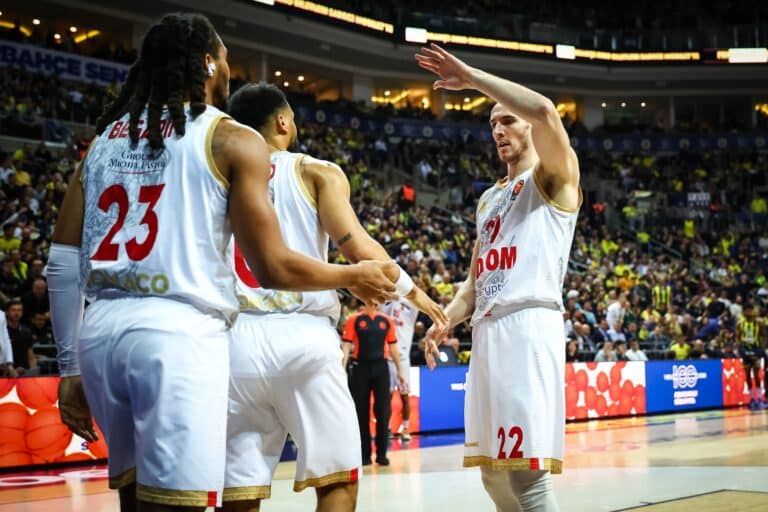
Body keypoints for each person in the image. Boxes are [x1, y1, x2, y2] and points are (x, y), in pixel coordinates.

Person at [47, 13, 396, 512]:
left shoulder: (103, 141)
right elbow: (272, 266)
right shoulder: (231, 138)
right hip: (175, 334)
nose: (231, 68)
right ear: (209, 63)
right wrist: (351, 275)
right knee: (179, 502)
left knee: (135, 499)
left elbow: (61, 264)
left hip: (101, 335)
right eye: (227, 57)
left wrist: (68, 367)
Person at [221, 83, 445, 512]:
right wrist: (416, 295)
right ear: (283, 122)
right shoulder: (314, 171)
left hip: (236, 342)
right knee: (337, 479)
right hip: (303, 336)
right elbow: (361, 251)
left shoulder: (220, 175)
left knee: (239, 490)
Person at [417, 43, 580, 511]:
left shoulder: (553, 178)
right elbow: (473, 284)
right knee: (492, 476)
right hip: (488, 332)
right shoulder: (488, 199)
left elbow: (548, 111)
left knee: (526, 478)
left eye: (507, 119)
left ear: (527, 124)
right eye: (492, 123)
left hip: (528, 326)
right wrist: (444, 318)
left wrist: (470, 77)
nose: (498, 130)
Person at [342, 304, 403, 467]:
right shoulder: (354, 319)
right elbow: (347, 345)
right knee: (361, 412)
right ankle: (364, 455)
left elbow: (393, 347)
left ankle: (382, 454)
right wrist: (342, 366)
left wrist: (400, 370)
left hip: (381, 367)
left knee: (383, 411)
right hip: (360, 368)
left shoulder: (386, 320)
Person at [379, 297, 419, 440]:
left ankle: (406, 429)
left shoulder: (410, 315)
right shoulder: (386, 312)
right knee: (387, 397)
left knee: (405, 396)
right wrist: (391, 298)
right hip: (388, 359)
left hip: (402, 360)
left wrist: (400, 297)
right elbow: (380, 304)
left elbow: (415, 305)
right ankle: (387, 428)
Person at [736, 305, 764, 409]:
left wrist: (760, 352)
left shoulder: (759, 323)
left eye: (749, 309)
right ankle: (752, 399)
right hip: (746, 352)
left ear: (752, 311)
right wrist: (742, 351)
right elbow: (738, 339)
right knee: (747, 375)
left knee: (757, 375)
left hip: (756, 351)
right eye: (746, 309)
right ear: (743, 311)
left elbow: (764, 337)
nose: (748, 311)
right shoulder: (740, 324)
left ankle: (760, 398)